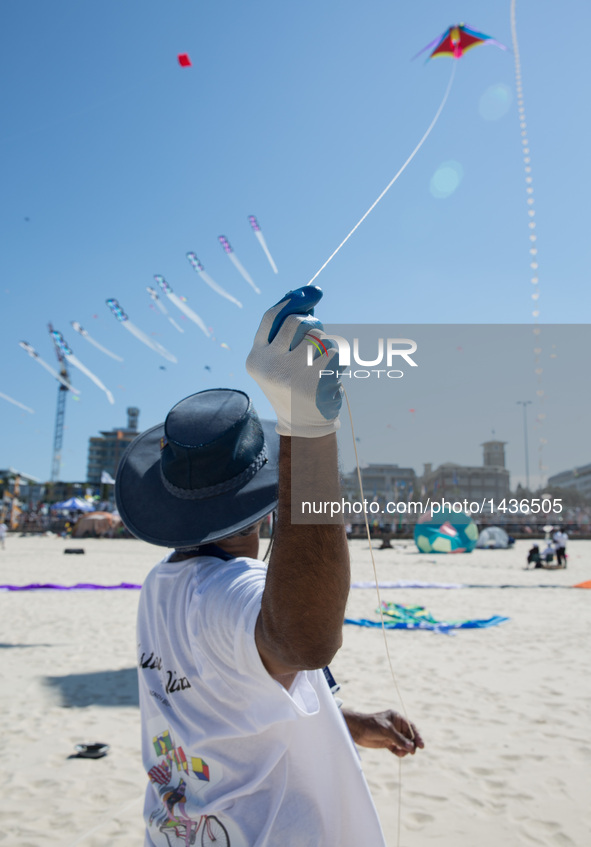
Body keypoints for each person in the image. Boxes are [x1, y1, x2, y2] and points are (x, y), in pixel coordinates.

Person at [116, 287, 424, 847]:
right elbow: (301, 641)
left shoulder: (160, 585)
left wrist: (345, 722)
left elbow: (229, 702)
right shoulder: (231, 594)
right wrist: (306, 427)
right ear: (258, 498)